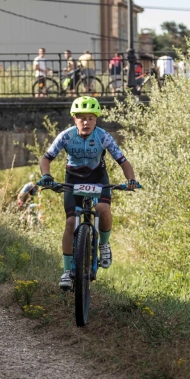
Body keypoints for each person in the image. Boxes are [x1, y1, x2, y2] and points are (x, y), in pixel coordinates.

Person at [38, 96, 138, 290]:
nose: (86, 122)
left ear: (96, 120)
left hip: (97, 178)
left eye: (91, 118)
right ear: (74, 119)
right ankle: (67, 271)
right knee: (71, 222)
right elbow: (46, 159)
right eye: (82, 118)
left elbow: (123, 161)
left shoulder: (103, 136)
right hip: (74, 180)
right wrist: (47, 176)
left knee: (102, 208)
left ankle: (104, 245)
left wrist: (131, 180)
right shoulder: (66, 136)